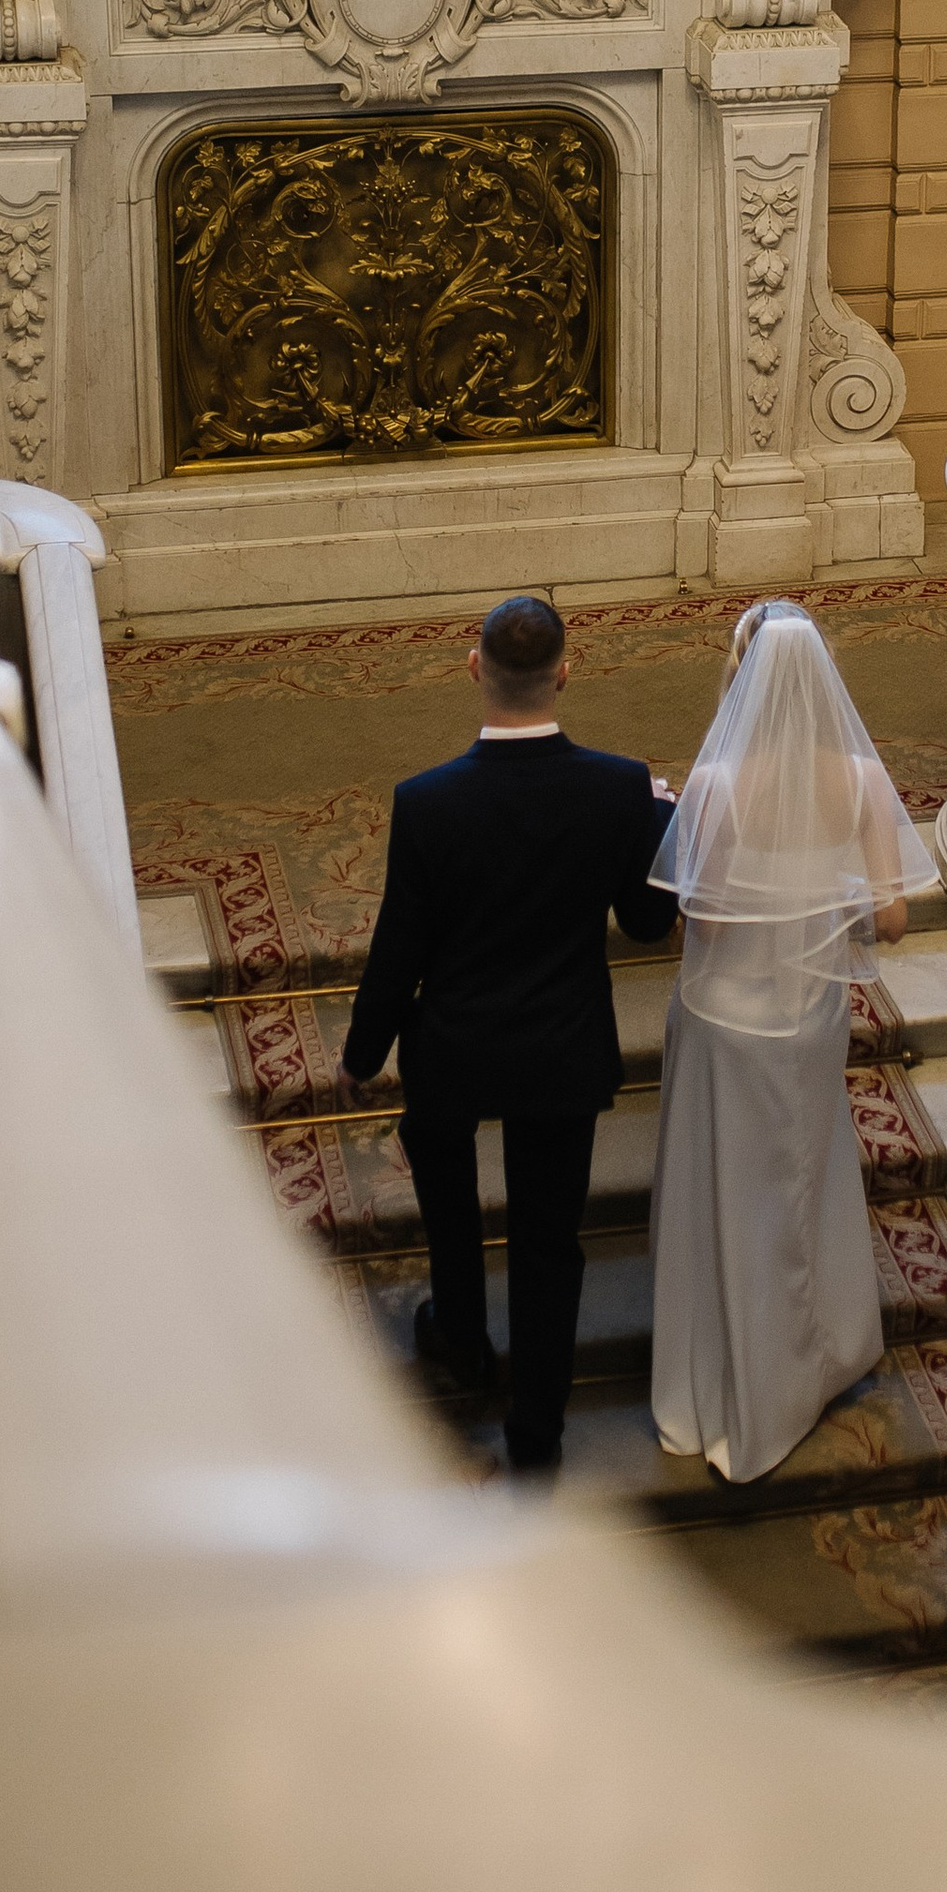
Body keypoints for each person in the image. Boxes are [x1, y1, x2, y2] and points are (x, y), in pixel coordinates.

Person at [337, 592, 676, 1475]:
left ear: (474, 667)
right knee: (546, 1241)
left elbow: (398, 946)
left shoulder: (427, 803)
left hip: (452, 1048)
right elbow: (646, 924)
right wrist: (663, 821)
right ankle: (537, 1437)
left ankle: (458, 1339)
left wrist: (362, 1053)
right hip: (561, 1050)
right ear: (566, 673)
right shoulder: (618, 788)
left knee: (451, 1210)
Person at [647, 600, 936, 1484]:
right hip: (807, 1021)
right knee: (796, 1185)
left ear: (738, 678)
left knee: (721, 1193)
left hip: (722, 1023)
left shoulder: (714, 787)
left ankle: (712, 1385)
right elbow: (889, 920)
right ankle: (801, 1364)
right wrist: (821, 897)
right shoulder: (855, 777)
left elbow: (700, 923)